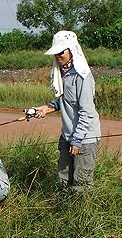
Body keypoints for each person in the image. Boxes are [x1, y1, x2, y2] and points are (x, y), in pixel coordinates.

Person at [28, 30, 101, 192]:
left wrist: (77, 140)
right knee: (63, 180)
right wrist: (47, 108)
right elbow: (65, 100)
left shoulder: (82, 77)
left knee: (81, 184)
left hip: (84, 138)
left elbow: (86, 111)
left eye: (61, 52)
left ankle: (82, 215)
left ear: (72, 51)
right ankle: (63, 210)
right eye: (56, 54)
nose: (58, 57)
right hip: (67, 135)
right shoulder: (64, 74)